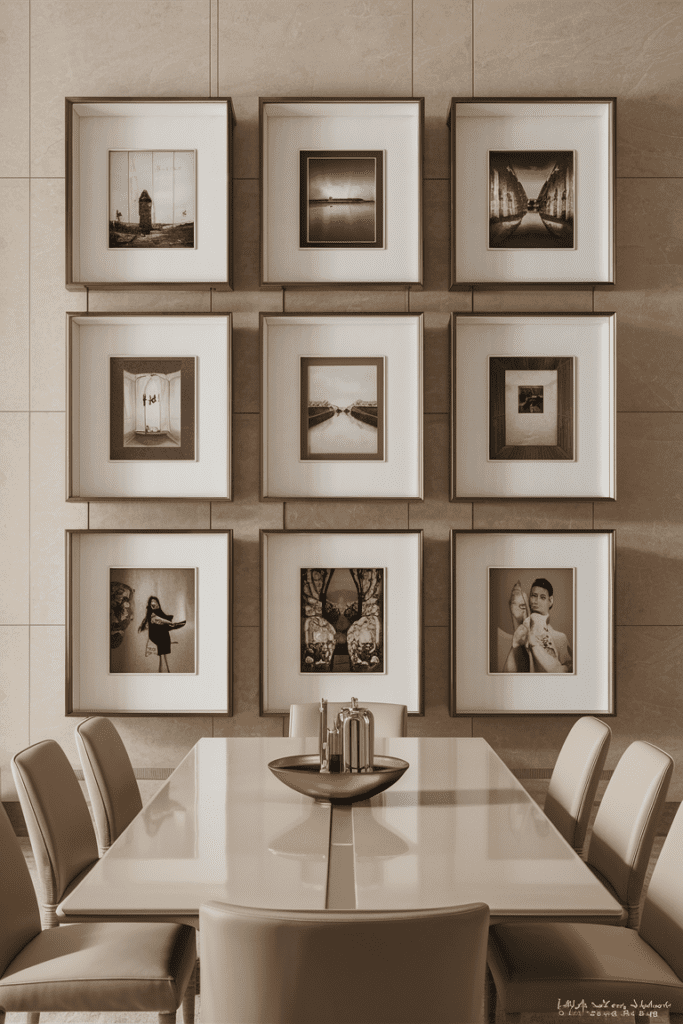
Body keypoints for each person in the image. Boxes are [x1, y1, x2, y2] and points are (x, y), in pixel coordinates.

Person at [501, 577, 572, 674]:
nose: (536, 601)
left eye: (542, 597)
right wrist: (516, 644)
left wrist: (535, 645)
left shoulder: (560, 638)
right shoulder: (522, 635)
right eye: (533, 596)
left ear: (550, 601)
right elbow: (509, 674)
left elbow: (569, 672)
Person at [138, 596, 186, 672]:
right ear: (150, 605)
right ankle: (174, 625)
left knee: (163, 655)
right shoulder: (152, 613)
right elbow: (159, 621)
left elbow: (164, 620)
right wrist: (171, 624)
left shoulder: (159, 612)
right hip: (156, 635)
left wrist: (169, 622)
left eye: (155, 602)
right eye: (152, 603)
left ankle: (166, 670)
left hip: (162, 634)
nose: (154, 604)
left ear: (158, 603)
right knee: (163, 627)